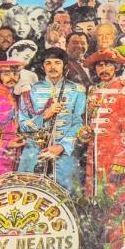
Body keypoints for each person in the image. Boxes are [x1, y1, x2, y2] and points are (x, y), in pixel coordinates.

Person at [16, 48, 85, 191]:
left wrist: (61, 147)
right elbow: (23, 125)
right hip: (34, 153)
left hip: (65, 153)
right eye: (48, 63)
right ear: (43, 67)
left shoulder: (77, 91)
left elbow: (79, 123)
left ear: (64, 66)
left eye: (57, 63)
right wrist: (45, 116)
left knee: (66, 196)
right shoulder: (29, 91)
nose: (53, 67)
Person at [83, 49, 125, 203]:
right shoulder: (94, 91)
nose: (103, 69)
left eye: (108, 65)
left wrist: (121, 162)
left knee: (117, 202)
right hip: (95, 155)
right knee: (96, 202)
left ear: (116, 67)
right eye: (99, 65)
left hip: (117, 154)